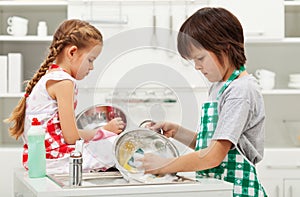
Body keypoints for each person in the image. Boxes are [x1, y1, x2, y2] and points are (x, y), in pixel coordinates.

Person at [141, 7, 267, 197]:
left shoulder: (240, 91)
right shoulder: (220, 87)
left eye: (200, 58)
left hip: (237, 191)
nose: (197, 66)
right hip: (219, 188)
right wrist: (177, 131)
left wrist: (164, 165)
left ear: (225, 48)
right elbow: (211, 147)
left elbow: (214, 157)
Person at [5, 19, 125, 174]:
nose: (92, 67)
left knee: (111, 146)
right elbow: (71, 138)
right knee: (118, 146)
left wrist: (101, 133)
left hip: (40, 159)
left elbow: (64, 133)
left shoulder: (52, 76)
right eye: (90, 60)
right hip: (56, 161)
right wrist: (103, 132)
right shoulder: (64, 82)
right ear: (72, 52)